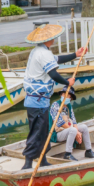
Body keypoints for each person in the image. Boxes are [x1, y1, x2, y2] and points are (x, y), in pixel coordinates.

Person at [20, 23, 88, 170]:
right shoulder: (42, 53)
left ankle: (43, 159)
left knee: (44, 131)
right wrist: (67, 81)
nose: (54, 40)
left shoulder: (41, 51)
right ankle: (27, 164)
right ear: (48, 39)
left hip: (41, 101)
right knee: (37, 132)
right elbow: (53, 74)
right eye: (53, 38)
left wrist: (76, 55)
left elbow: (57, 60)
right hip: (36, 101)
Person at [50, 89, 94, 161]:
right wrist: (76, 133)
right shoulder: (55, 105)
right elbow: (61, 123)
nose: (67, 97)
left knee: (84, 127)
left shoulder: (69, 106)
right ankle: (67, 154)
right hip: (56, 133)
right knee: (73, 130)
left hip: (67, 129)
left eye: (69, 96)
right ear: (61, 95)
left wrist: (77, 131)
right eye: (65, 94)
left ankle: (88, 151)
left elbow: (74, 121)